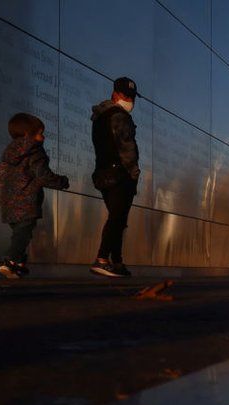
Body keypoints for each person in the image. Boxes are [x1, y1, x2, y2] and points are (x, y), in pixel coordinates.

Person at [0, 113, 68, 279]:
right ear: (28, 134)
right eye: (40, 133)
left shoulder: (9, 152)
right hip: (27, 201)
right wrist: (61, 182)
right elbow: (43, 175)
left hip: (9, 203)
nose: (43, 136)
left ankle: (18, 264)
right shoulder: (35, 151)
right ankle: (10, 260)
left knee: (20, 234)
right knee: (23, 234)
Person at [89, 76, 141, 278]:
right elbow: (127, 149)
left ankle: (117, 261)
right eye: (127, 95)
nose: (130, 100)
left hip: (102, 173)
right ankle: (102, 259)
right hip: (119, 174)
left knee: (117, 218)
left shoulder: (100, 116)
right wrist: (134, 174)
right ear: (115, 93)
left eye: (132, 96)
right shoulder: (120, 116)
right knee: (118, 218)